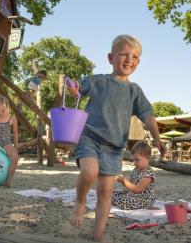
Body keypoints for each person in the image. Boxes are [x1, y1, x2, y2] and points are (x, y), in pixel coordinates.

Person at [66, 34, 166, 243]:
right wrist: (74, 87)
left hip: (114, 147)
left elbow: (148, 114)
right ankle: (80, 202)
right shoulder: (98, 80)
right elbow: (79, 87)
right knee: (90, 170)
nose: (129, 59)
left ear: (138, 63)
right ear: (111, 58)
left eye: (134, 56)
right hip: (89, 137)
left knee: (106, 190)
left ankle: (98, 234)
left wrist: (157, 138)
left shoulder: (134, 91)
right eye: (124, 54)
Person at [111, 142, 156, 210]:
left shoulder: (148, 174)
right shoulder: (136, 169)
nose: (134, 162)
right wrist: (121, 179)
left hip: (144, 198)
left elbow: (137, 189)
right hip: (133, 195)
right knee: (111, 192)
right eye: (133, 160)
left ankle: (146, 206)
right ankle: (116, 202)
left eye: (137, 160)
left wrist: (123, 181)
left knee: (124, 200)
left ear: (147, 158)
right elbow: (128, 183)